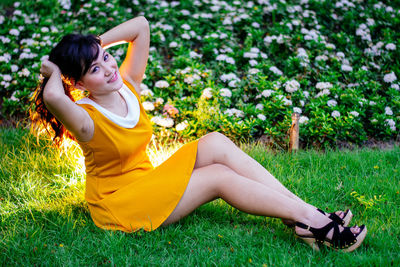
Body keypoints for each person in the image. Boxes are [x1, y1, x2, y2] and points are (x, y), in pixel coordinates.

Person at [31, 16, 367, 252]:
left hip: (147, 181)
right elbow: (53, 96)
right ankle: (312, 221)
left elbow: (140, 26)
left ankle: (307, 212)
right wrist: (56, 69)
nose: (108, 69)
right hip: (119, 204)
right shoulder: (86, 119)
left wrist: (90, 48)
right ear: (77, 82)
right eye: (94, 69)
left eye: (106, 57)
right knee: (217, 177)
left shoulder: (127, 84)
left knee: (216, 142)